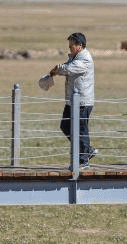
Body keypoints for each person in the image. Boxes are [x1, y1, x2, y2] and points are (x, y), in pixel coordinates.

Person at [48, 32, 97, 168]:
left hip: (82, 102)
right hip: (71, 101)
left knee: (81, 130)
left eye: (71, 45)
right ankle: (87, 150)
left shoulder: (85, 59)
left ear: (79, 46)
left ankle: (83, 161)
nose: (69, 48)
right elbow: (68, 67)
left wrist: (57, 69)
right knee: (65, 126)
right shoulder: (74, 57)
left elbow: (70, 69)